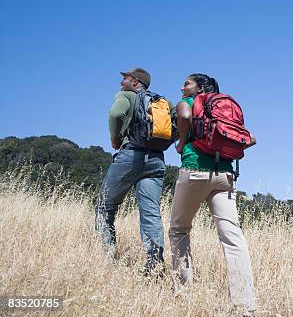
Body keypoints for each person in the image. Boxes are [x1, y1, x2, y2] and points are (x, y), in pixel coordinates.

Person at [169, 73, 256, 313]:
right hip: (225, 175)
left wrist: (182, 141)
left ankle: (183, 293)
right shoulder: (223, 107)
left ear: (199, 88)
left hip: (195, 171)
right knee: (233, 238)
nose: (182, 87)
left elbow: (185, 116)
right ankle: (244, 304)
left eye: (187, 83)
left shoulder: (188, 103)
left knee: (179, 229)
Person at [95, 68, 170, 276]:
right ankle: (154, 266)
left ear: (136, 82)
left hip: (131, 156)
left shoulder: (126, 96)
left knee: (104, 206)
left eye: (125, 78)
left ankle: (106, 259)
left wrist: (115, 139)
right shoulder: (161, 102)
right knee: (151, 214)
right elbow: (177, 126)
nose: (121, 82)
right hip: (156, 160)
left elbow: (115, 113)